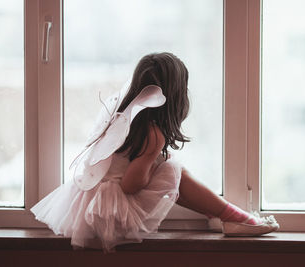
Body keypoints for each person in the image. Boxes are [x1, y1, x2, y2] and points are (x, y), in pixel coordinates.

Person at [31, 52, 279, 252]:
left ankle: (221, 215)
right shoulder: (152, 133)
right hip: (112, 210)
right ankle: (232, 216)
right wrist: (151, 163)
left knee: (171, 170)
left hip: (90, 203)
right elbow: (130, 185)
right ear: (174, 97)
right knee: (173, 171)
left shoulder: (123, 119)